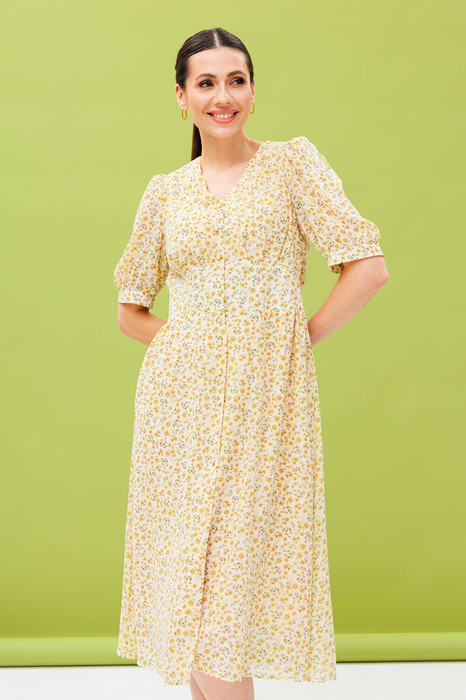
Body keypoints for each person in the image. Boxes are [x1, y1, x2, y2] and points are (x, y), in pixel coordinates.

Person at [113, 26, 388, 700]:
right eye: (206, 83)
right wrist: (188, 347)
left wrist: (292, 343)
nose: (223, 96)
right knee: (191, 587)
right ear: (182, 97)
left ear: (254, 92)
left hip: (265, 402)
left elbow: (368, 268)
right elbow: (130, 310)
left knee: (227, 593)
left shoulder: (292, 166)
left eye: (236, 81)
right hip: (181, 407)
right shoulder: (165, 193)